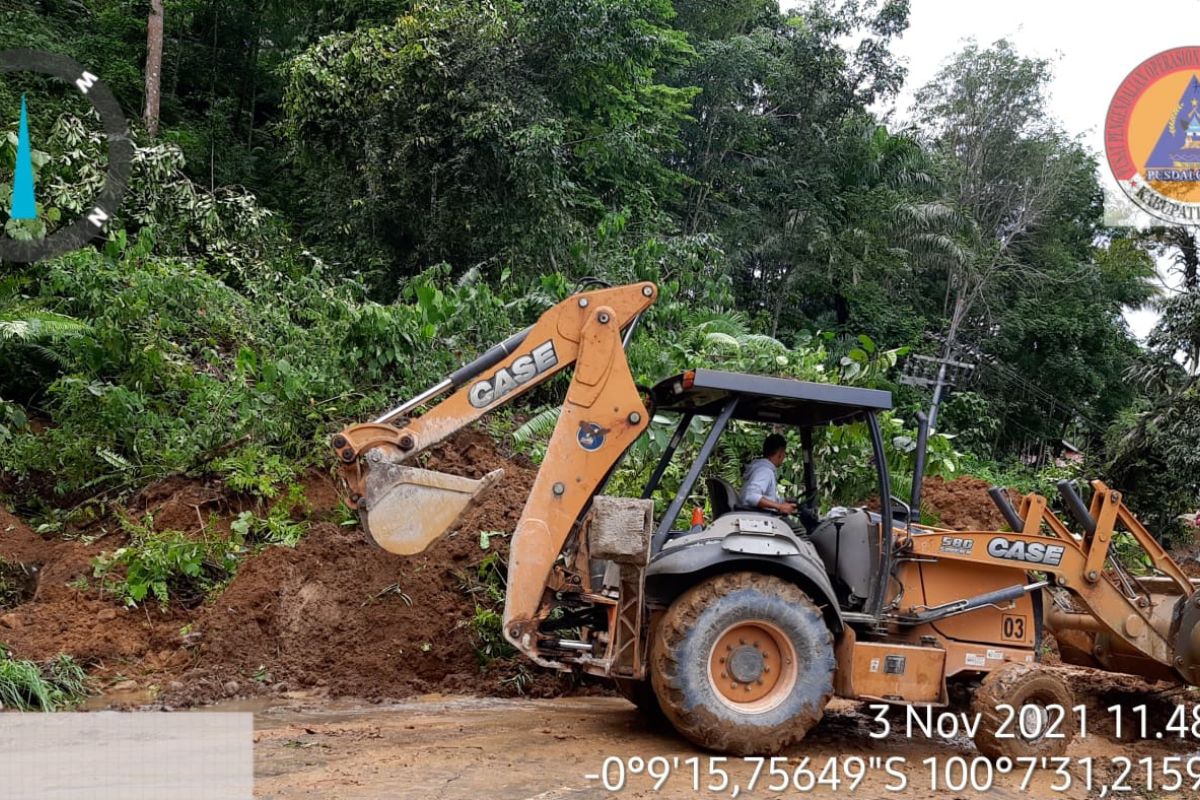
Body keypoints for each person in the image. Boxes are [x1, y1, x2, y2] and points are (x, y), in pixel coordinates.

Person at [739, 433, 797, 515]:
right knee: (798, 528)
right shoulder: (765, 472)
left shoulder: (761, 468)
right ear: (780, 453)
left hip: (759, 516)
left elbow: (766, 498)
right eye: (784, 453)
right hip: (760, 520)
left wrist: (784, 501)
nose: (784, 456)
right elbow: (751, 496)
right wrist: (780, 507)